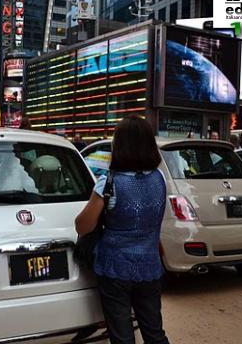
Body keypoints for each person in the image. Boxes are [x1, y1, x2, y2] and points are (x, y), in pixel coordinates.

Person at [75, 115, 169, 344]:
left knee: (122, 335)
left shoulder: (109, 183)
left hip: (114, 269)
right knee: (154, 332)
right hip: (150, 267)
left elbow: (82, 226)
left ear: (120, 145)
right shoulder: (160, 179)